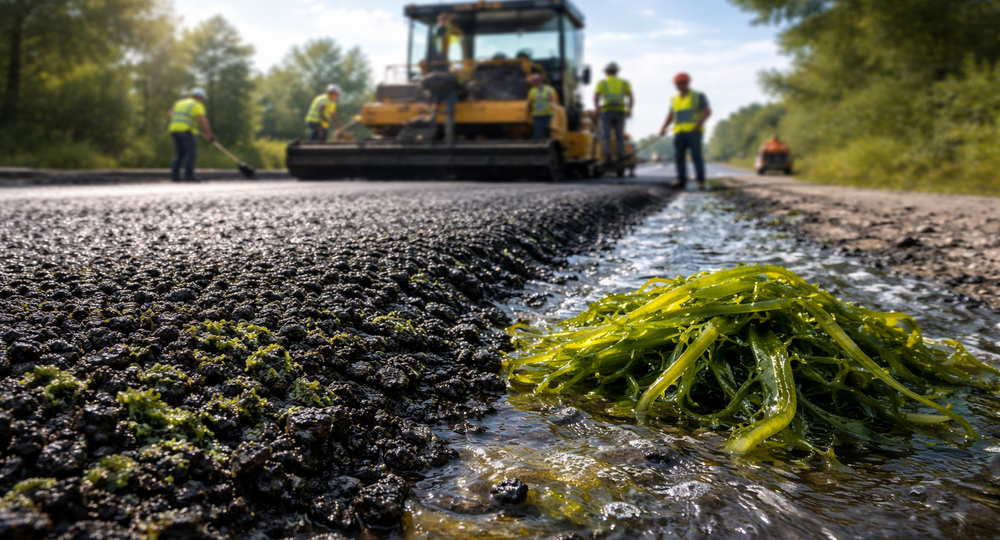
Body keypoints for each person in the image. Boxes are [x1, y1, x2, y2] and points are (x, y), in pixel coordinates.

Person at [659, 72, 712, 190]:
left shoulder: (697, 96)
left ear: (686, 83)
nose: (676, 86)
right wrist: (664, 127)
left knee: (696, 156)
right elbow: (671, 114)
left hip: (694, 132)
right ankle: (681, 180)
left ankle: (700, 181)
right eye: (675, 84)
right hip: (679, 132)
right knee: (679, 157)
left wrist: (698, 125)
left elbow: (707, 112)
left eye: (679, 83)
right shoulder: (674, 99)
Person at [168, 88, 214, 182]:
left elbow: (170, 114)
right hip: (186, 131)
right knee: (191, 153)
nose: (203, 101)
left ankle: (175, 175)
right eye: (203, 99)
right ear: (200, 97)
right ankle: (188, 175)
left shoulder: (179, 103)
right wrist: (209, 135)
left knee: (179, 154)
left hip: (174, 130)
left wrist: (185, 121)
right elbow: (204, 121)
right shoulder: (197, 105)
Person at [594, 62, 633, 166]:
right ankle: (619, 157)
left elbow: (596, 96)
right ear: (616, 71)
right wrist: (629, 110)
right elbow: (631, 98)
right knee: (619, 136)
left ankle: (607, 158)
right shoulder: (624, 82)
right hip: (620, 111)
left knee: (606, 136)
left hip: (606, 111)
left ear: (606, 72)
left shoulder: (602, 82)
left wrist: (597, 109)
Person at [527, 74, 559, 142]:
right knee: (537, 130)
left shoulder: (549, 89)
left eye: (535, 81)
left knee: (548, 128)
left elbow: (555, 101)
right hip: (537, 114)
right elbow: (530, 103)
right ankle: (536, 144)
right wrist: (529, 113)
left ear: (540, 81)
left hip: (548, 114)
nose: (533, 83)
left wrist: (553, 106)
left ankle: (549, 142)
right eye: (533, 81)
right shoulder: (532, 91)